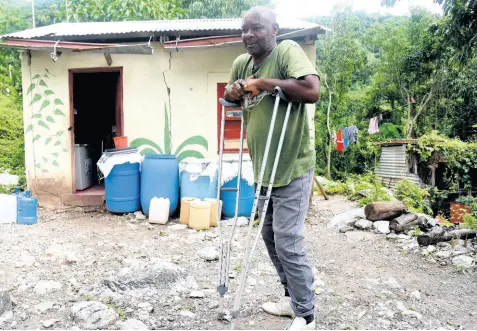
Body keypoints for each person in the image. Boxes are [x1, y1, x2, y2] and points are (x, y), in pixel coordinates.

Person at [224, 6, 320, 330]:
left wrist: (264, 82)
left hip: (292, 163)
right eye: (244, 29)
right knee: (268, 234)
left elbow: (311, 90)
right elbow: (229, 94)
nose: (249, 34)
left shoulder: (286, 52)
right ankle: (291, 296)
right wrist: (234, 90)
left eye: (257, 28)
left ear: (275, 29)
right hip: (264, 168)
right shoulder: (242, 63)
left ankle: (306, 314)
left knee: (287, 238)